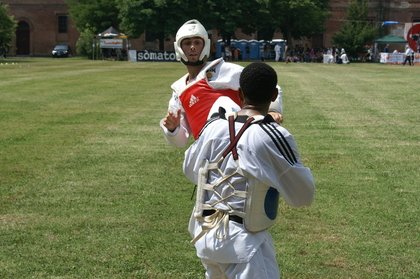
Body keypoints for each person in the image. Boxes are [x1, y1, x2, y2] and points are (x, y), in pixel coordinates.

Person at [183, 62, 315, 278]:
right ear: (274, 95)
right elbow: (303, 195)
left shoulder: (213, 128)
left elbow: (190, 170)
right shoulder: (272, 135)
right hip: (244, 246)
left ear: (241, 93)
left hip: (205, 237)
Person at [160, 19, 283, 147]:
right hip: (209, 154)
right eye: (187, 43)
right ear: (178, 47)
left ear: (205, 45)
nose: (192, 47)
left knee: (224, 103)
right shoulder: (178, 90)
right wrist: (173, 129)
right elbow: (180, 141)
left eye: (197, 42)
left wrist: (272, 110)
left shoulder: (222, 70)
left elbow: (266, 84)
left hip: (242, 144)